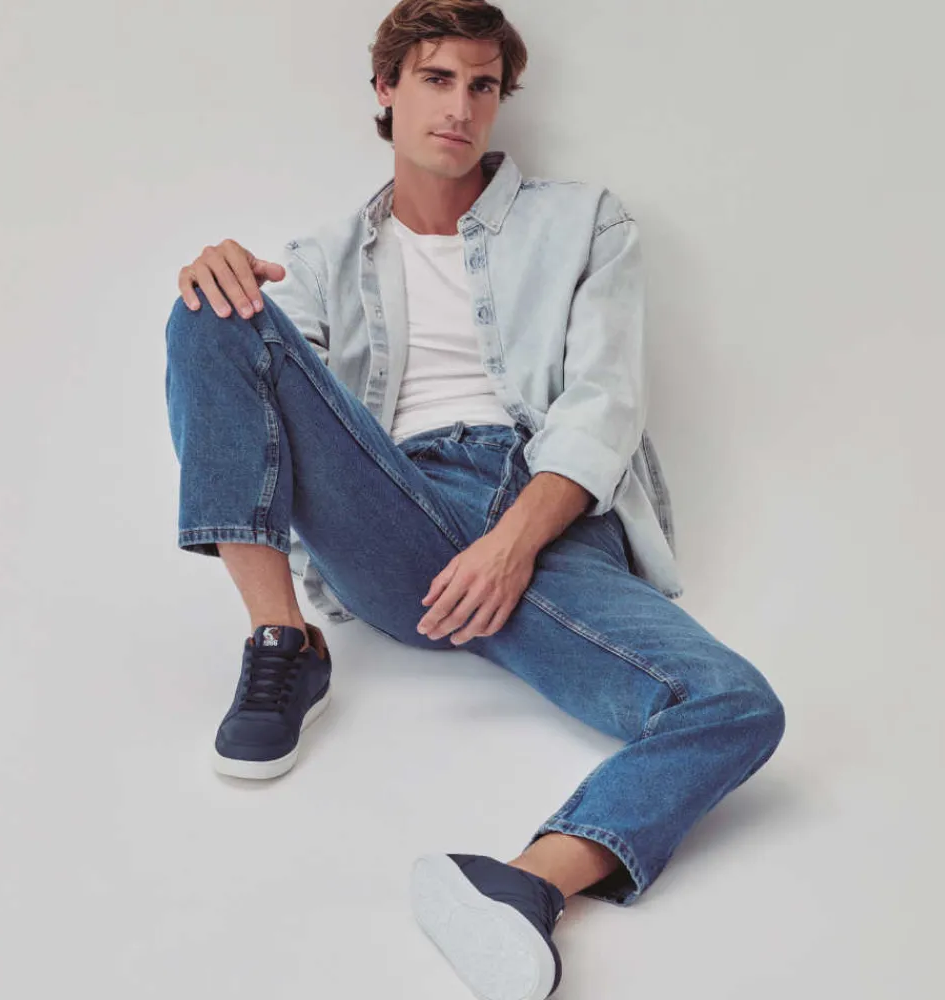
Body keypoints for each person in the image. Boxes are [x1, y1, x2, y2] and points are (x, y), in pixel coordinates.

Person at [164, 2, 786, 997]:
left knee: (737, 703)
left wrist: (511, 544)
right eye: (436, 79)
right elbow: (278, 405)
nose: (460, 106)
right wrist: (220, 278)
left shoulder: (584, 221)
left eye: (482, 85)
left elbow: (604, 402)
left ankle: (522, 886)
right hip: (397, 508)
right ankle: (282, 641)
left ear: (499, 100)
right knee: (212, 299)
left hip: (552, 525)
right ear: (386, 89)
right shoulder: (324, 257)